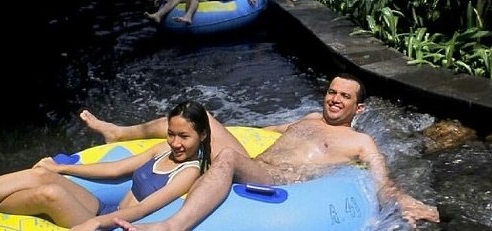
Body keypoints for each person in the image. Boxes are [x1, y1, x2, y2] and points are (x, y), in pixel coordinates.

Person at [81, 74, 440, 229]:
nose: (335, 99)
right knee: (199, 115)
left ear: (358, 109)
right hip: (257, 161)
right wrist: (227, 135)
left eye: (345, 96)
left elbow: (382, 180)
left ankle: (174, 225)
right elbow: (262, 133)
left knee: (229, 157)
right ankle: (118, 133)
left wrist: (405, 201)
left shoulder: (361, 143)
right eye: (332, 92)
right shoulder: (310, 117)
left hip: (279, 180)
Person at [0, 101, 212, 231]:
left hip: (113, 226)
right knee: (40, 174)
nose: (175, 143)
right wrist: (62, 169)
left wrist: (98, 224)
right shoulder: (162, 150)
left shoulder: (188, 172)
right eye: (171, 134)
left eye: (184, 136)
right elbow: (116, 170)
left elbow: (141, 211)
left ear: (202, 135)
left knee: (48, 193)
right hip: (103, 208)